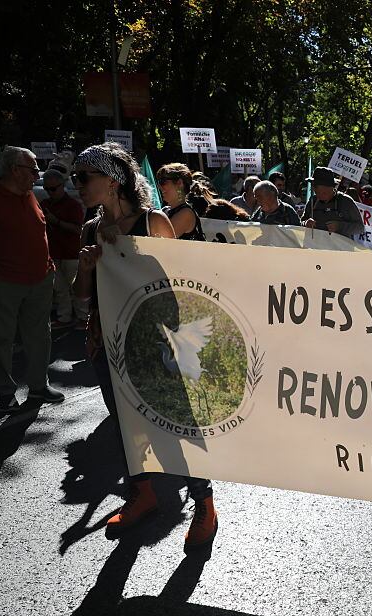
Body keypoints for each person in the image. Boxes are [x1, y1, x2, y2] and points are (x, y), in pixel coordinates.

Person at [71, 142, 218, 547]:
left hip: (154, 345)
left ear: (113, 180)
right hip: (106, 344)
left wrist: (131, 254)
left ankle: (204, 502)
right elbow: (80, 297)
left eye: (85, 177)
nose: (77, 184)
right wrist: (87, 268)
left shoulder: (153, 222)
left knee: (174, 423)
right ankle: (144, 493)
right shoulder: (90, 228)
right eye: (75, 178)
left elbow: (179, 286)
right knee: (127, 427)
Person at [0, 146, 63, 411]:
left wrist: (49, 267)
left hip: (41, 279)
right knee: (2, 340)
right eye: (32, 169)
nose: (37, 174)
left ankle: (38, 387)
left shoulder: (29, 194)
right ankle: (5, 393)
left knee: (40, 336)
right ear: (14, 170)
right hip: (5, 283)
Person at [41, 168, 87, 329]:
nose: (50, 192)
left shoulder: (73, 205)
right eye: (47, 189)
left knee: (76, 288)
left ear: (62, 186)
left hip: (71, 253)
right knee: (59, 289)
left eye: (53, 188)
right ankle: (64, 317)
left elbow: (78, 229)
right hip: (53, 252)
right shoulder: (44, 204)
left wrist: (56, 221)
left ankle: (83, 318)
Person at [302, 166, 364, 239]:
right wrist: (306, 223)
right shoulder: (313, 201)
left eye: (324, 193)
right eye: (317, 191)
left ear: (331, 188)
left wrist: (339, 226)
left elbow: (360, 228)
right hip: (315, 247)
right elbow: (301, 222)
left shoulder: (346, 202)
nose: (319, 195)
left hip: (340, 248)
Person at [155, 163, 205, 241]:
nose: (159, 187)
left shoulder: (186, 213)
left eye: (163, 182)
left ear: (179, 183)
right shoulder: (166, 210)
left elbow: (161, 241)